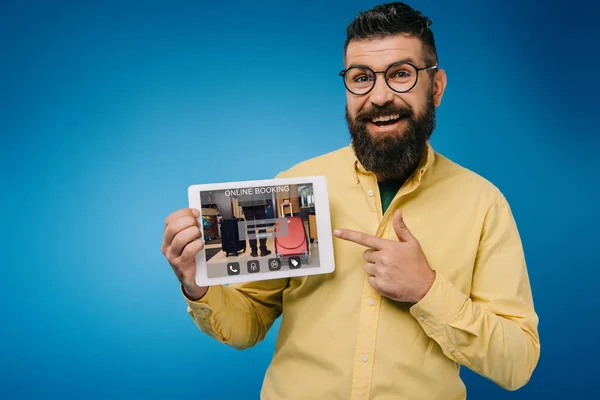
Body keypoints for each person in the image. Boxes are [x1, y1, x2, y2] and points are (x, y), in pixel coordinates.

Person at [161, 2, 540, 399]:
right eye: (361, 78)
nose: (379, 96)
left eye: (401, 75)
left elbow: (516, 363)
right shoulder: (294, 187)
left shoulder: (483, 204)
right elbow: (248, 322)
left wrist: (427, 290)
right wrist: (197, 283)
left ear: (437, 86)